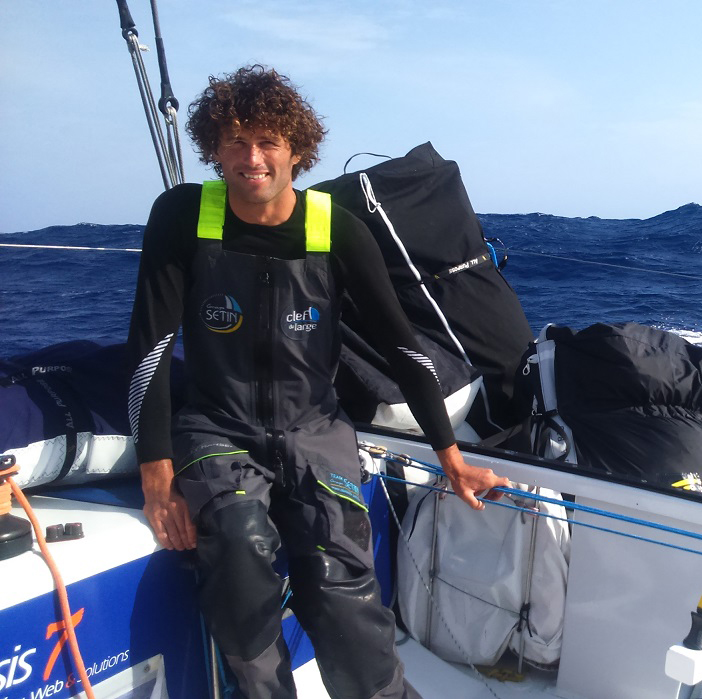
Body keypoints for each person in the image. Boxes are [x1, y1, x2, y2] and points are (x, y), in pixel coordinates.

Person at [126, 64, 509, 699]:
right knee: (241, 546)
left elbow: (402, 348)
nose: (252, 158)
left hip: (315, 430)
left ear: (297, 150)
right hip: (216, 427)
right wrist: (157, 478)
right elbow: (151, 351)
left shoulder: (336, 230)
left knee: (341, 591)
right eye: (236, 141)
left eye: (268, 141)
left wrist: (452, 459)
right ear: (215, 148)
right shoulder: (183, 216)